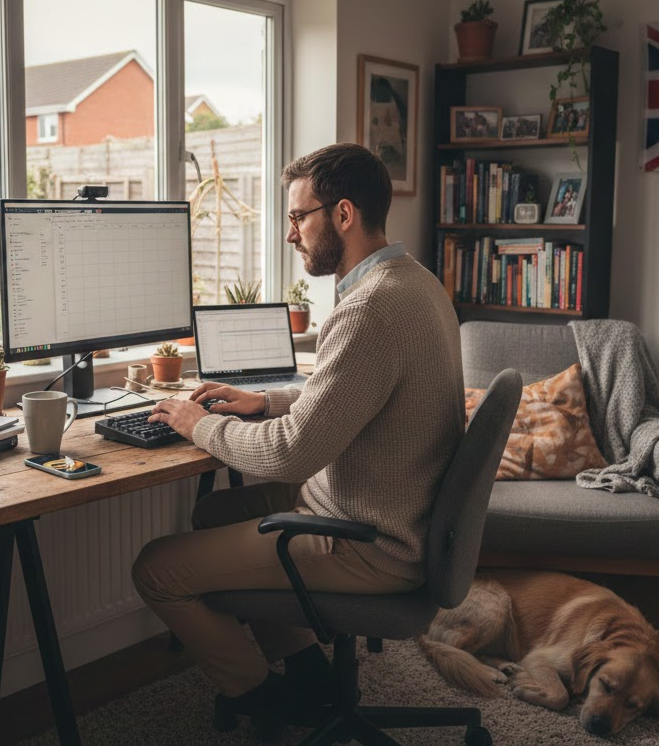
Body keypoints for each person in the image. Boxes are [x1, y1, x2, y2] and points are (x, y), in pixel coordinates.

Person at [131, 143, 465, 737]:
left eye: (297, 217)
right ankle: (309, 672)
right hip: (393, 517)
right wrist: (265, 402)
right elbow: (363, 397)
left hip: (371, 543)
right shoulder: (416, 283)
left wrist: (196, 423)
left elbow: (291, 453)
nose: (290, 234)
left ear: (342, 215)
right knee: (213, 512)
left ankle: (268, 700)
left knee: (157, 569)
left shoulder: (371, 308)